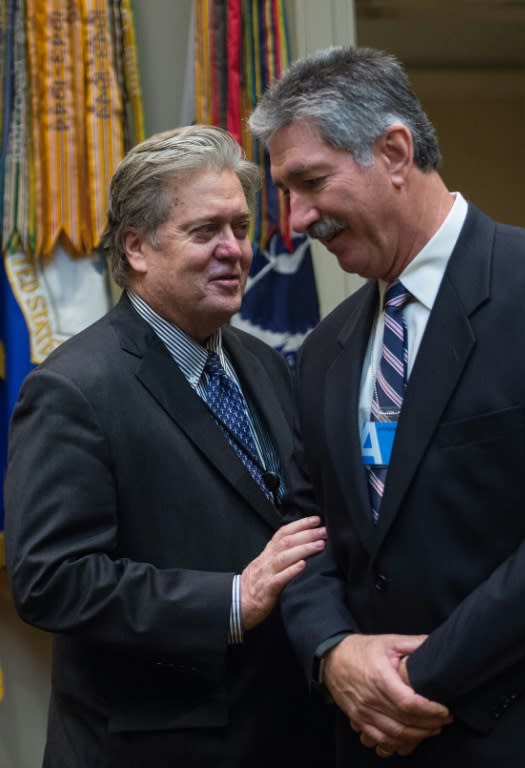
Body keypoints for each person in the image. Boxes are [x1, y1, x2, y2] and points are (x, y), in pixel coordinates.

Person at [249, 46, 525, 766]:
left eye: (310, 182)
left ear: (395, 151)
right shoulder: (322, 352)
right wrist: (334, 651)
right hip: (370, 741)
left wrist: (418, 678)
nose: (295, 218)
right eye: (285, 191)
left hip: (524, 738)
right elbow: (302, 523)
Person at [4, 125, 334, 768]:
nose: (234, 251)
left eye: (241, 228)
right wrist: (232, 600)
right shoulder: (73, 387)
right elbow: (50, 579)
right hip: (156, 744)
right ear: (137, 248)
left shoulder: (262, 361)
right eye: (205, 231)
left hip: (284, 732)